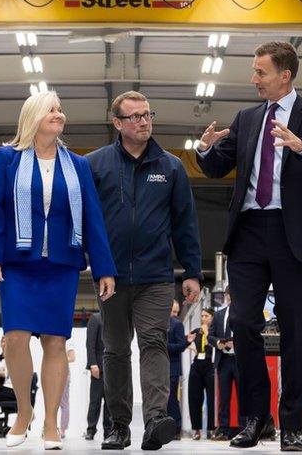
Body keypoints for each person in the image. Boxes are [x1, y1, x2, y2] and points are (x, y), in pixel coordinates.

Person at [196, 41, 302, 451]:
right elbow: (215, 167)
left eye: (260, 72)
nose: (254, 79)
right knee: (244, 322)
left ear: (285, 75)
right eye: (254, 70)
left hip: (293, 233)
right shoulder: (247, 119)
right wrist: (205, 148)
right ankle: (254, 420)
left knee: (297, 328)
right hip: (248, 231)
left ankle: (293, 425)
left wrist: (301, 146)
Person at [0, 91, 117, 450]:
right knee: (16, 337)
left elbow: (93, 220)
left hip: (61, 263)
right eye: (52, 110)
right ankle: (24, 412)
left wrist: (104, 267)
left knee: (56, 341)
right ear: (34, 117)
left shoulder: (78, 165)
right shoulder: (7, 158)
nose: (60, 114)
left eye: (60, 109)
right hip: (17, 264)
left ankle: (51, 422)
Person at [86, 90, 202, 451]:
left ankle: (154, 420)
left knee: (153, 343)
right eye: (134, 116)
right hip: (111, 276)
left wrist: (193, 272)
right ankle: (118, 425)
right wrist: (93, 263)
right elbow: (87, 221)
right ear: (117, 123)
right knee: (116, 349)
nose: (143, 121)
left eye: (147, 114)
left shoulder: (171, 167)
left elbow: (185, 224)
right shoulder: (95, 164)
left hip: (155, 275)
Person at [208, 289, 240, 440]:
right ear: (227, 297)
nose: (231, 298)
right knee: (224, 397)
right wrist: (218, 343)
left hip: (241, 360)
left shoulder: (244, 313)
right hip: (224, 361)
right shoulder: (219, 315)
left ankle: (244, 427)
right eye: (229, 296)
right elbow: (210, 336)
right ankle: (223, 429)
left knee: (243, 395)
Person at [187, 308, 216, 440]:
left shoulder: (214, 331)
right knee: (194, 398)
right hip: (197, 364)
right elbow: (186, 340)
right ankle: (196, 429)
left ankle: (211, 429)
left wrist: (208, 333)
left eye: (207, 316)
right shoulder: (196, 331)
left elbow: (216, 344)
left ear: (212, 318)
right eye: (202, 316)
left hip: (210, 365)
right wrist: (190, 345)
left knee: (211, 399)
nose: (204, 318)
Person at [84, 312, 112, 440]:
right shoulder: (96, 318)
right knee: (95, 400)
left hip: (113, 367)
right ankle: (91, 429)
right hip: (98, 368)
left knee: (110, 402)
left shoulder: (115, 317)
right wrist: (92, 363)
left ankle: (109, 430)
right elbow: (90, 344)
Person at [166, 300, 187, 439]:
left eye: (176, 312)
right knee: (162, 400)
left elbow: (181, 345)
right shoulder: (159, 324)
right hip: (160, 367)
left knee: (172, 399)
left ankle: (176, 429)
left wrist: (164, 346)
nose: (175, 314)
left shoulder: (177, 324)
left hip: (173, 368)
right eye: (173, 311)